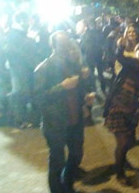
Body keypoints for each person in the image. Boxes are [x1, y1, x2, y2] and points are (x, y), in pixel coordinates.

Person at [34, 31, 95, 193]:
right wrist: (61, 87)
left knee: (76, 155)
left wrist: (86, 99)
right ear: (53, 45)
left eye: (67, 43)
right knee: (57, 161)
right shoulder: (44, 68)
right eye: (62, 44)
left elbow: (79, 88)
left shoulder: (73, 64)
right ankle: (57, 190)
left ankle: (67, 185)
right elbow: (38, 98)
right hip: (55, 123)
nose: (66, 46)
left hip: (75, 120)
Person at [104, 39, 139, 186]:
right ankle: (119, 173)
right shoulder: (130, 64)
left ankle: (121, 161)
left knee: (128, 141)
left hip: (131, 110)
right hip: (117, 108)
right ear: (136, 52)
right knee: (122, 142)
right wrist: (120, 44)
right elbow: (119, 56)